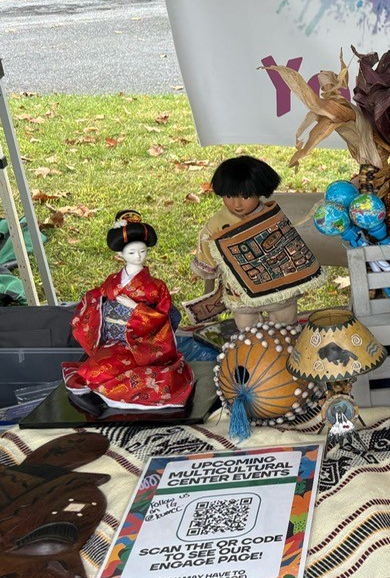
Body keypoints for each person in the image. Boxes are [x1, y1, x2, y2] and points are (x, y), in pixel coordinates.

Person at [63, 211, 195, 409]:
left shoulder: (156, 286)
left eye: (142, 251)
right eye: (132, 253)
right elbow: (94, 298)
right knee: (92, 370)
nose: (138, 256)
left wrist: (136, 308)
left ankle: (109, 396)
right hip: (116, 341)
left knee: (125, 373)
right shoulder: (112, 281)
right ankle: (99, 395)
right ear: (120, 255)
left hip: (144, 344)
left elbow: (163, 315)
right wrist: (97, 302)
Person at [192, 156, 325, 330]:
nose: (237, 204)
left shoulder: (270, 217)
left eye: (246, 196)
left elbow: (289, 245)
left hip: (279, 289)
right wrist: (205, 269)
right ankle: (252, 353)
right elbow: (206, 245)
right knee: (246, 326)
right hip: (240, 292)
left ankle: (286, 347)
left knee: (285, 321)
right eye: (229, 196)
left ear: (259, 190)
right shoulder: (217, 223)